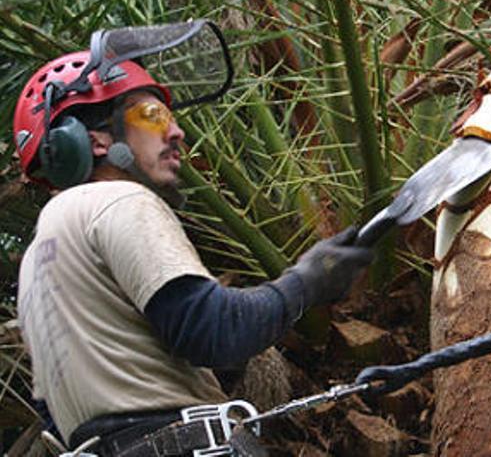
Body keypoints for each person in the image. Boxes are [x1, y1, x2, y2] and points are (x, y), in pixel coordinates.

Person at [13, 51, 374, 455]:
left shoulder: (36, 262)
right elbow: (212, 329)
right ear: (93, 140)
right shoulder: (117, 200)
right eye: (152, 116)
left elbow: (56, 412)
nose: (176, 132)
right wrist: (307, 282)